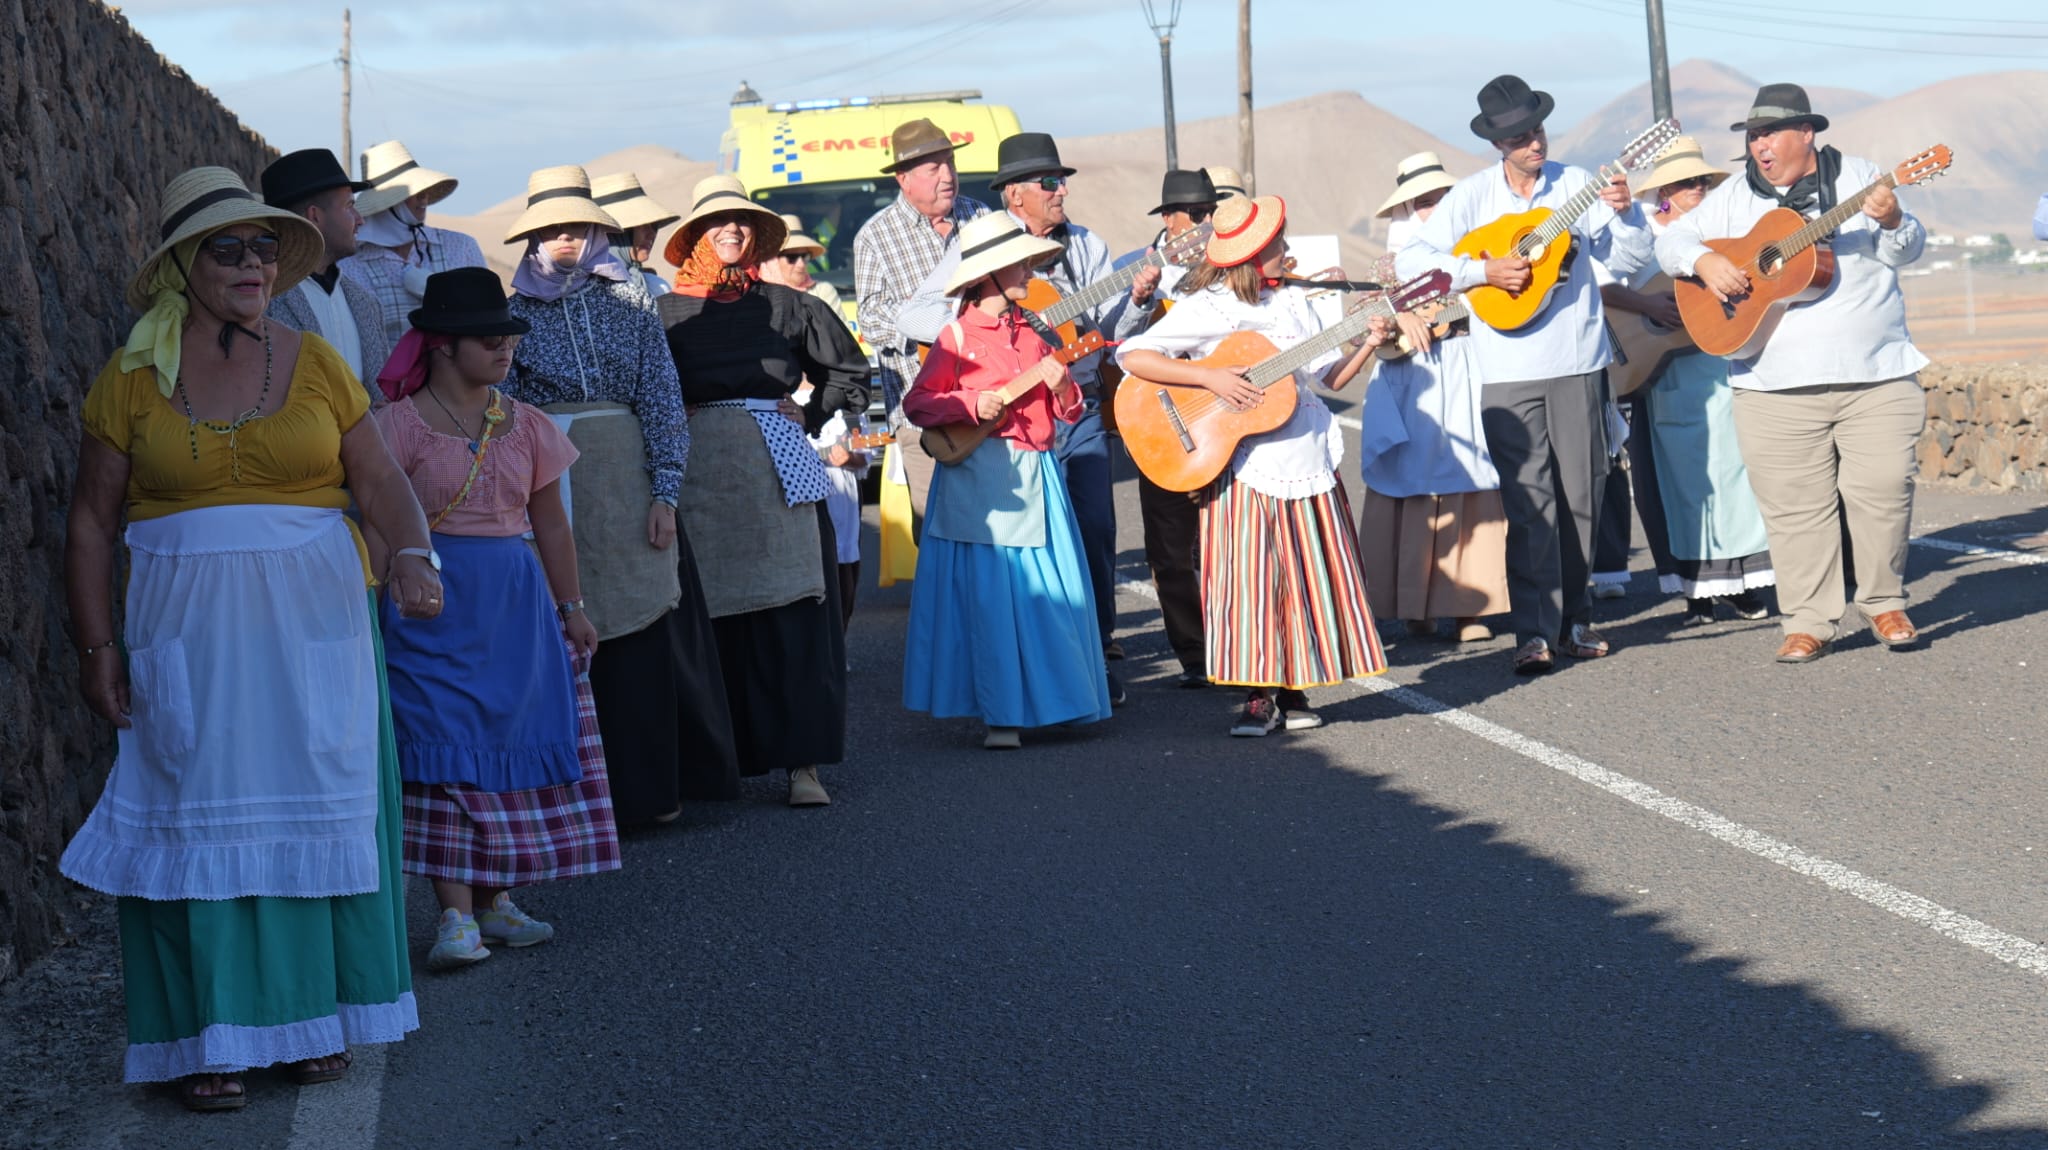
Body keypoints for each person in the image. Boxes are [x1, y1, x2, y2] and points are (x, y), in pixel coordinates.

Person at [60, 167, 439, 1109]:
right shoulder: (132, 377)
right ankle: (210, 1039)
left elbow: (380, 479)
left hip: (315, 625)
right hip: (185, 636)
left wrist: (411, 555)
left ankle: (322, 1018)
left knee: (321, 807)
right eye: (227, 249)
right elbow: (91, 524)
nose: (252, 263)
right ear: (185, 265)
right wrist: (99, 648)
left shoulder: (313, 362)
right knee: (192, 823)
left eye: (265, 246)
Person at [370, 268, 621, 972]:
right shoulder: (396, 428)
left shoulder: (530, 427)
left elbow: (552, 528)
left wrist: (572, 609)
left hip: (514, 606)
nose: (504, 349)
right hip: (430, 605)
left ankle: (495, 901)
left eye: (508, 336)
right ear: (443, 345)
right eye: (489, 338)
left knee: (502, 746)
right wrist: (381, 593)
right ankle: (452, 914)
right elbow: (379, 525)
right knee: (440, 748)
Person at [499, 166, 740, 820]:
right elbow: (508, 410)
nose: (566, 238)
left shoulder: (631, 296)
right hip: (552, 485)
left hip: (626, 478)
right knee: (568, 629)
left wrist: (665, 492)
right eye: (552, 228)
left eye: (576, 224)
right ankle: (579, 801)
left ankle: (649, 794)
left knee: (639, 630)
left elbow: (661, 396)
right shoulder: (514, 313)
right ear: (534, 238)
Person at [1657, 84, 1928, 663]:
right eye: (1753, 136)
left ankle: (1883, 600)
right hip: (1770, 381)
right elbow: (1672, 241)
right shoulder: (1732, 198)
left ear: (1807, 133)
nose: (1760, 146)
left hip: (1874, 374)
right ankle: (1809, 620)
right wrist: (1703, 260)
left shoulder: (1862, 177)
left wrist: (1894, 217)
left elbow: (1906, 251)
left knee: (1882, 491)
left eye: (1770, 134)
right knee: (1793, 507)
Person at [1117, 192, 1402, 736]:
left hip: (1304, 455)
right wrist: (1210, 377)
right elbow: (1131, 355)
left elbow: (1329, 379)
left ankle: (1293, 689)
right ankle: (1256, 694)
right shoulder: (1210, 308)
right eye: (1277, 243)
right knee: (1249, 580)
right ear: (1253, 255)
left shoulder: (1293, 301)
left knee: (1300, 575)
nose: (1287, 248)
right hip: (1246, 462)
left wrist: (1367, 341)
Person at [1397, 74, 1652, 674]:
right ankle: (1533, 631)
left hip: (1579, 362)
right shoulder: (1472, 197)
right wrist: (1482, 274)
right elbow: (1414, 259)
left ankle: (1575, 620)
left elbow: (1632, 264)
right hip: (1507, 370)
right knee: (1529, 500)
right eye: (1519, 137)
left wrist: (1628, 213)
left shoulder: (1579, 187)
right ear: (1498, 144)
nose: (1533, 143)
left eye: (1537, 130)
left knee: (1582, 495)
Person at [899, 133, 1155, 691]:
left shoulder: (1087, 246)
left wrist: (1133, 303)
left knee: (1090, 530)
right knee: (1012, 562)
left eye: (1061, 180)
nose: (1059, 189)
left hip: (1072, 405)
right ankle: (1012, 673)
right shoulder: (980, 246)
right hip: (994, 433)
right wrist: (971, 338)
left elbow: (1106, 332)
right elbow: (912, 318)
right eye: (1048, 181)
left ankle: (1094, 652)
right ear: (1015, 194)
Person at [658, 175, 870, 807]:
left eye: (743, 222)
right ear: (696, 234)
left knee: (793, 612)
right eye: (718, 221)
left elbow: (847, 371)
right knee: (705, 614)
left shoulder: (787, 305)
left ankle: (802, 765)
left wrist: (810, 411)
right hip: (697, 476)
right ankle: (713, 766)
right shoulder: (665, 314)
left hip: (779, 471)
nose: (732, 230)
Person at [901, 213, 1113, 748]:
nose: (1029, 269)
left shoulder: (1036, 332)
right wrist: (972, 401)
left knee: (1049, 596)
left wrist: (1064, 385)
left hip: (1036, 474)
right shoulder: (952, 335)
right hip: (978, 479)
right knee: (994, 603)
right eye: (1019, 261)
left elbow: (1068, 412)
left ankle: (1057, 705)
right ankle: (1002, 716)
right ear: (990, 273)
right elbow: (918, 404)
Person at [1598, 136, 1775, 625]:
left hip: (1717, 362)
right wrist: (1649, 306)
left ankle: (1741, 581)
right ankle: (1697, 588)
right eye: (1686, 182)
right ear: (1665, 191)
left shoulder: (1720, 229)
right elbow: (1604, 282)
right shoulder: (1641, 232)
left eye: (1702, 180)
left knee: (1734, 472)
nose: (1697, 188)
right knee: (1683, 482)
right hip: (1664, 368)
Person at [1360, 152, 1511, 642]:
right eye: (1422, 202)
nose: (1432, 209)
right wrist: (1392, 315)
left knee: (1473, 474)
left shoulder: (1478, 252)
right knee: (1411, 483)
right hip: (1411, 382)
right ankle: (1412, 603)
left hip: (1466, 366)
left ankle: (1471, 608)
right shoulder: (1389, 264)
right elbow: (1365, 314)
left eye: (1440, 199)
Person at [853, 118, 989, 522]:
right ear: (904, 179)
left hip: (989, 401)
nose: (947, 175)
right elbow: (871, 319)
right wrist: (925, 324)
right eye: (933, 168)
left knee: (999, 533)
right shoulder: (875, 237)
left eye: (949, 163)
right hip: (925, 415)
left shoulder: (978, 216)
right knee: (941, 533)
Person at [1117, 169, 1220, 685]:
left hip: (1220, 417)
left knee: (1223, 538)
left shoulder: (1226, 265)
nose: (1204, 224)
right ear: (1169, 219)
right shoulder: (1133, 267)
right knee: (1171, 545)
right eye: (1195, 216)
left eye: (1210, 213)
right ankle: (1194, 655)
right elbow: (1113, 342)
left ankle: (1234, 645)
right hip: (1157, 417)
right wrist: (1138, 301)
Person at [764, 214, 869, 624]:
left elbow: (845, 377)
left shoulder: (819, 304)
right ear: (766, 262)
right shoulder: (757, 314)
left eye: (805, 257)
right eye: (790, 257)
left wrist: (850, 452)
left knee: (840, 571)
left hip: (831, 470)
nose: (800, 266)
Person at [260, 148, 392, 388]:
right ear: (315, 216)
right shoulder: (264, 299)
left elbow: (379, 397)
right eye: (349, 206)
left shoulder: (365, 304)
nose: (360, 219)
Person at [339, 140, 487, 352]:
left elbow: (487, 318)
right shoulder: (351, 265)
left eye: (424, 190)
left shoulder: (461, 247)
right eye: (413, 192)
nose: (423, 197)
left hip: (458, 383)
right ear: (389, 203)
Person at [592, 171, 680, 301]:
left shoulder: (657, 288)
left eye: (654, 226)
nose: (652, 234)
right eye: (642, 226)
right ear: (617, 233)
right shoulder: (583, 292)